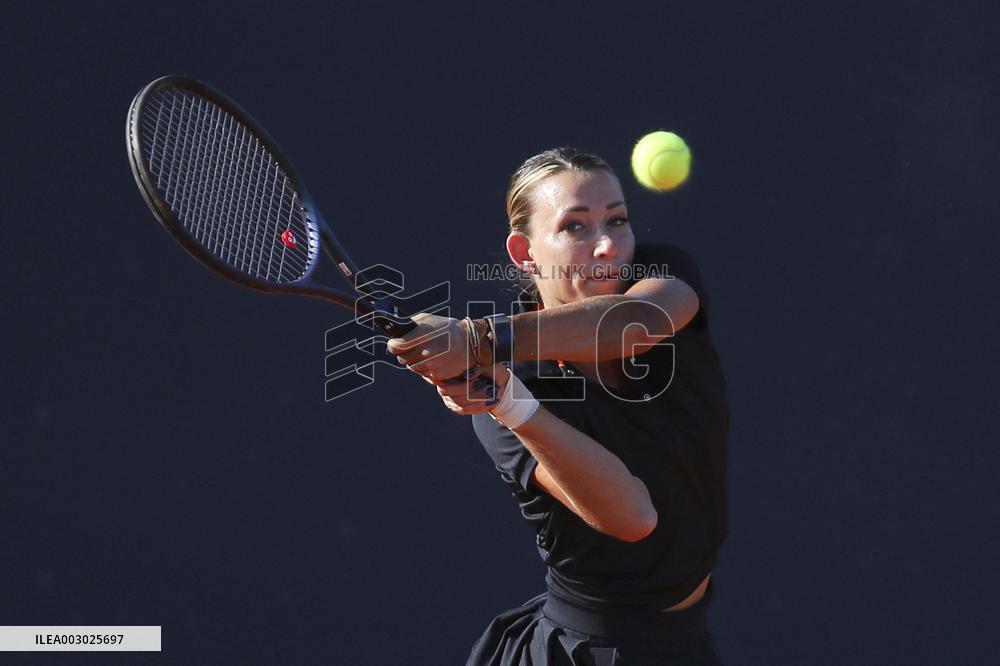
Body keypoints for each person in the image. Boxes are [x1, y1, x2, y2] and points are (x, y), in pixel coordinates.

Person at [386, 148, 729, 665]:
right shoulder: (508, 391)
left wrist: (477, 338)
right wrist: (507, 400)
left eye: (618, 219)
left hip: (685, 643)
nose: (609, 245)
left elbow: (634, 326)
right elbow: (632, 517)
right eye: (576, 227)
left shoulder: (663, 276)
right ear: (525, 252)